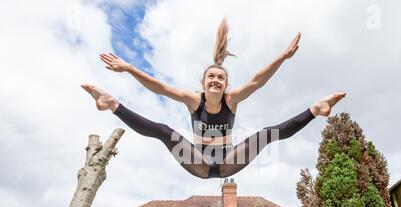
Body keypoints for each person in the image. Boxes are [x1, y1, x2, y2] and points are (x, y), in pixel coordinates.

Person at [82, 19, 346, 179]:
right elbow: (160, 87)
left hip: (228, 162)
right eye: (211, 77)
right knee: (164, 131)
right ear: (203, 83)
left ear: (226, 84)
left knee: (266, 135)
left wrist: (282, 57)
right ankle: (112, 104)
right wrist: (129, 68)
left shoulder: (231, 100)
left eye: (221, 78)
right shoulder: (192, 100)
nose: (216, 81)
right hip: (197, 162)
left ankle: (316, 109)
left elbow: (257, 81)